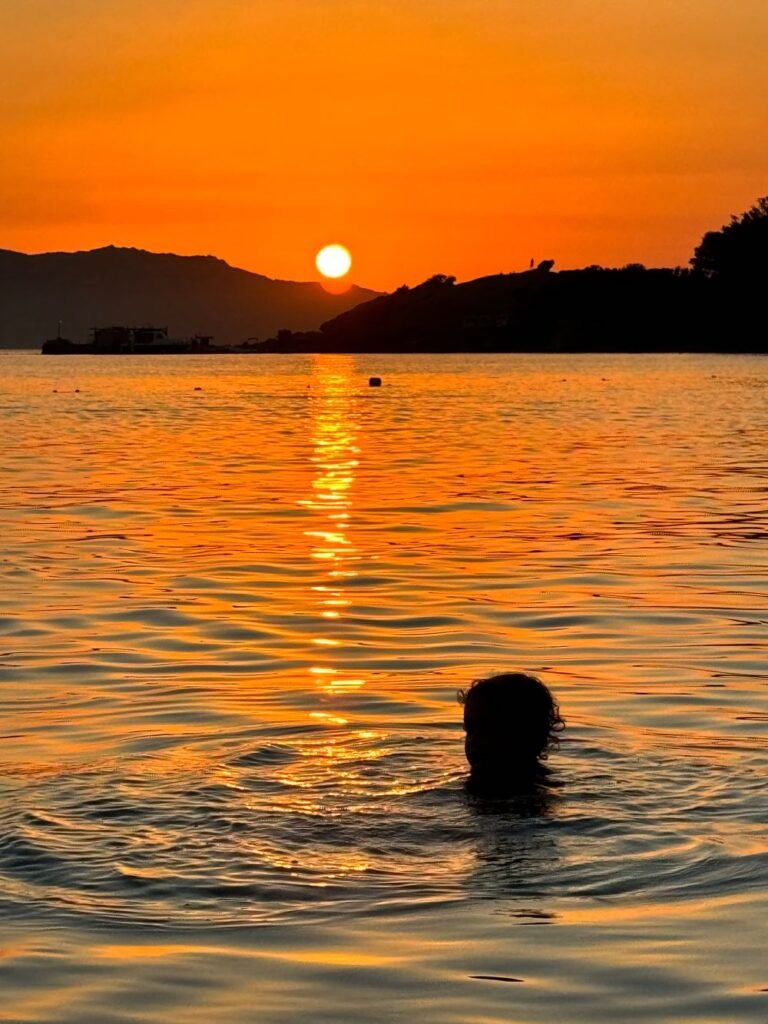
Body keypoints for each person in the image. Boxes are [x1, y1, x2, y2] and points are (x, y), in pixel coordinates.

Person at [458, 672, 564, 793]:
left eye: (489, 730)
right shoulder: (546, 784)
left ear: (528, 736)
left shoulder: (478, 786)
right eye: (470, 730)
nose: (474, 740)